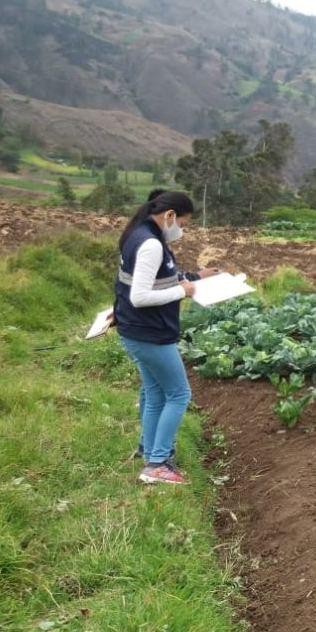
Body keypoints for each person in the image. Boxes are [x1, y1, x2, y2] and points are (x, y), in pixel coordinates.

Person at [114, 189, 219, 485]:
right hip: (149, 333)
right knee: (179, 393)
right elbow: (140, 296)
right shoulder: (150, 244)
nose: (181, 230)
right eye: (183, 224)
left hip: (138, 329)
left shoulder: (140, 234)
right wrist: (182, 292)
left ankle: (150, 450)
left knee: (154, 391)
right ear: (169, 215)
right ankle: (157, 464)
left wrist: (197, 277)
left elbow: (153, 277)